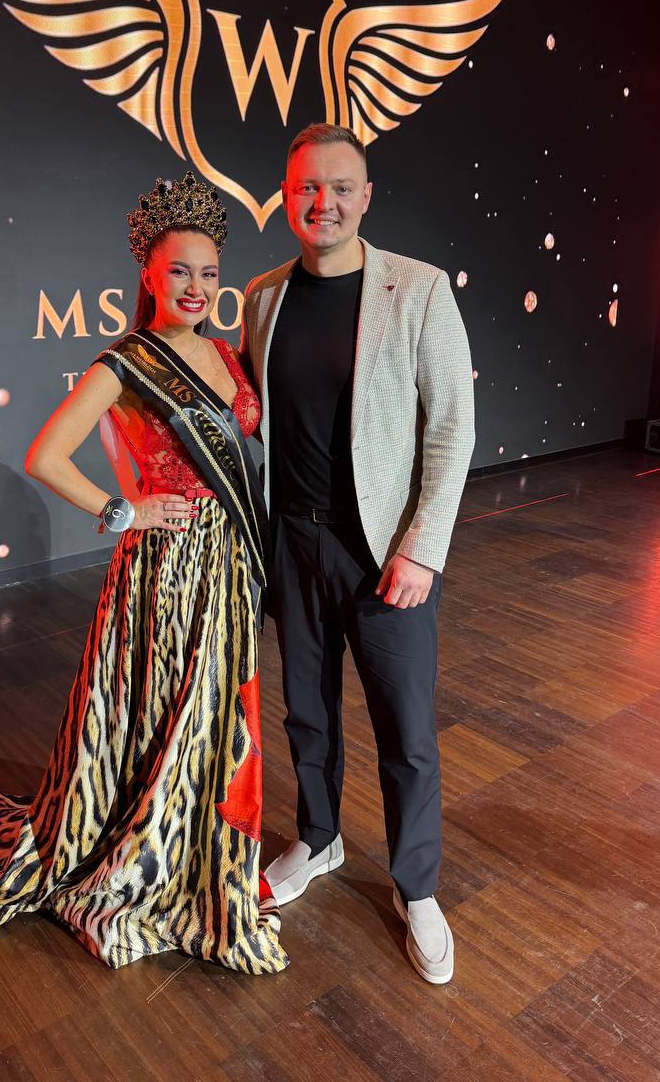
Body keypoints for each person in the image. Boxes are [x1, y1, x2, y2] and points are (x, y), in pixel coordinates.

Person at [0, 170, 288, 976]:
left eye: (208, 273)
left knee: (212, 711)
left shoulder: (228, 355)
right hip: (168, 569)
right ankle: (150, 854)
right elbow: (44, 456)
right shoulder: (125, 364)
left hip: (228, 562)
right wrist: (126, 510)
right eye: (179, 271)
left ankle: (198, 844)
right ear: (149, 275)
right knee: (169, 714)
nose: (196, 287)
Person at [241, 123, 475, 985]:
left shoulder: (419, 289)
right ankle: (319, 837)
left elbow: (452, 430)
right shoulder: (263, 296)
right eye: (307, 187)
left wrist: (422, 550)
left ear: (366, 196)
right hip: (294, 543)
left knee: (406, 731)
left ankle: (417, 886)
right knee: (307, 713)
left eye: (340, 187)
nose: (324, 203)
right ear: (286, 196)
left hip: (387, 557)